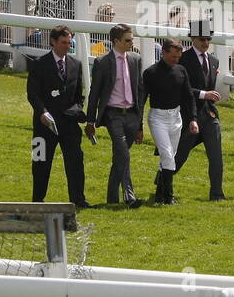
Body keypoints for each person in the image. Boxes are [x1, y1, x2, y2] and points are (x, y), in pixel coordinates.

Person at [27, 25, 90, 207]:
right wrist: (42, 112)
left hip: (69, 125)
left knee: (75, 163)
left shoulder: (75, 64)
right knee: (40, 163)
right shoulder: (39, 64)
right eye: (63, 43)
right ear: (53, 42)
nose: (67, 46)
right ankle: (37, 200)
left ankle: (78, 199)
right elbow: (33, 94)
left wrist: (76, 110)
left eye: (69, 43)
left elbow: (79, 95)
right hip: (44, 125)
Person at [85, 24, 145, 207]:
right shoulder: (102, 62)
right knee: (124, 155)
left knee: (119, 157)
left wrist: (140, 125)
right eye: (128, 40)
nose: (131, 43)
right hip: (113, 115)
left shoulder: (135, 59)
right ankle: (130, 197)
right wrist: (90, 121)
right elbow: (94, 93)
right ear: (116, 41)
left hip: (132, 115)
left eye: (132, 39)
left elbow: (140, 92)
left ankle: (112, 198)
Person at [141, 38, 199, 205]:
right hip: (158, 117)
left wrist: (193, 119)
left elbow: (188, 96)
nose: (176, 60)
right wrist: (138, 125)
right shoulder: (151, 73)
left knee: (170, 156)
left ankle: (159, 193)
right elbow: (142, 98)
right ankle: (169, 196)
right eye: (173, 56)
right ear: (164, 52)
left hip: (176, 118)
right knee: (167, 155)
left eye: (178, 57)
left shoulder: (181, 71)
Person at [174, 21, 226, 201]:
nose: (206, 43)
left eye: (208, 39)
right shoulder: (183, 59)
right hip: (190, 114)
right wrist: (205, 94)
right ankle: (163, 179)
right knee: (180, 155)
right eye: (202, 39)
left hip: (209, 115)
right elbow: (182, 88)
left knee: (216, 156)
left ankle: (217, 193)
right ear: (193, 39)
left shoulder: (213, 61)